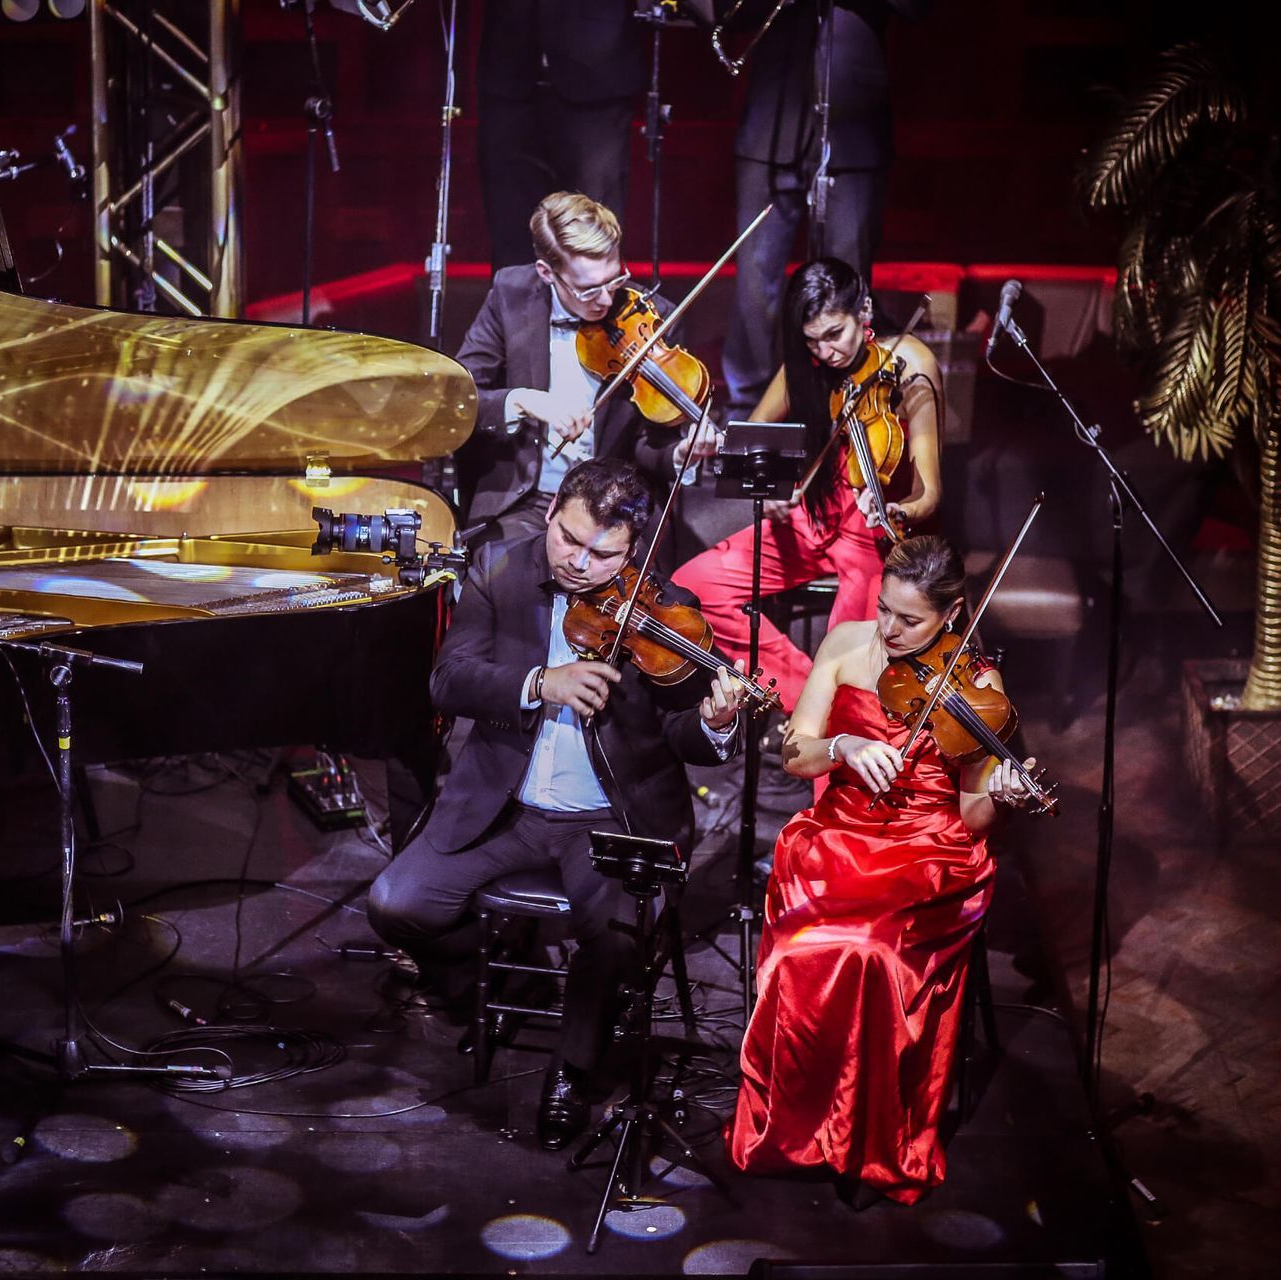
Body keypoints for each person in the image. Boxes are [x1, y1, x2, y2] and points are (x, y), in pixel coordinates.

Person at [369, 458, 748, 1150]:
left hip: (611, 816)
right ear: (550, 516)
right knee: (397, 903)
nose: (578, 563)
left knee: (616, 932)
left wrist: (718, 721)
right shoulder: (499, 570)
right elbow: (448, 681)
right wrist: (541, 680)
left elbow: (682, 733)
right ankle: (495, 983)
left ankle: (573, 1069)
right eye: (568, 540)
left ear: (634, 550)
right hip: (505, 805)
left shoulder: (666, 610)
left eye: (602, 553)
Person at [730, 535, 1036, 1206]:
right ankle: (798, 1128)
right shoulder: (845, 644)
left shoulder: (980, 685)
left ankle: (866, 1136)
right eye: (885, 609)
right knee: (801, 953)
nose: (890, 630)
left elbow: (974, 817)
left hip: (929, 850)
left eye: (910, 619)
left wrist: (1003, 796)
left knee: (869, 952)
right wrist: (841, 744)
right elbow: (797, 755)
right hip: (838, 835)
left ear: (952, 614)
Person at [673, 256, 940, 714]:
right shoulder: (809, 361)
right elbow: (753, 439)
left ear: (865, 311)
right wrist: (771, 484)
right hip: (812, 512)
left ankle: (832, 712)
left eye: (835, 334)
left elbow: (930, 491)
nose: (827, 353)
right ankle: (804, 699)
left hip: (871, 533)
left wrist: (900, 512)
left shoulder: (911, 363)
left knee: (852, 669)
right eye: (812, 341)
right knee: (692, 588)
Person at [454, 190, 695, 551]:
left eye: (614, 279)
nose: (606, 299)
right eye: (587, 289)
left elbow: (651, 445)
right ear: (547, 273)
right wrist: (522, 400)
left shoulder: (654, 317)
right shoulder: (510, 294)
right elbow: (459, 395)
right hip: (524, 500)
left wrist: (678, 454)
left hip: (614, 508)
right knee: (505, 580)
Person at [718, 0, 927, 408]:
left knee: (846, 279)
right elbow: (724, 12)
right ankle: (750, 412)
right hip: (771, 121)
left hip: (854, 121)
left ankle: (845, 406)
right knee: (755, 285)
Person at [476, 0, 646, 272]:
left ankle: (591, 313)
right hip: (509, 69)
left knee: (592, 234)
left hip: (597, 71)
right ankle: (520, 314)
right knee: (512, 237)